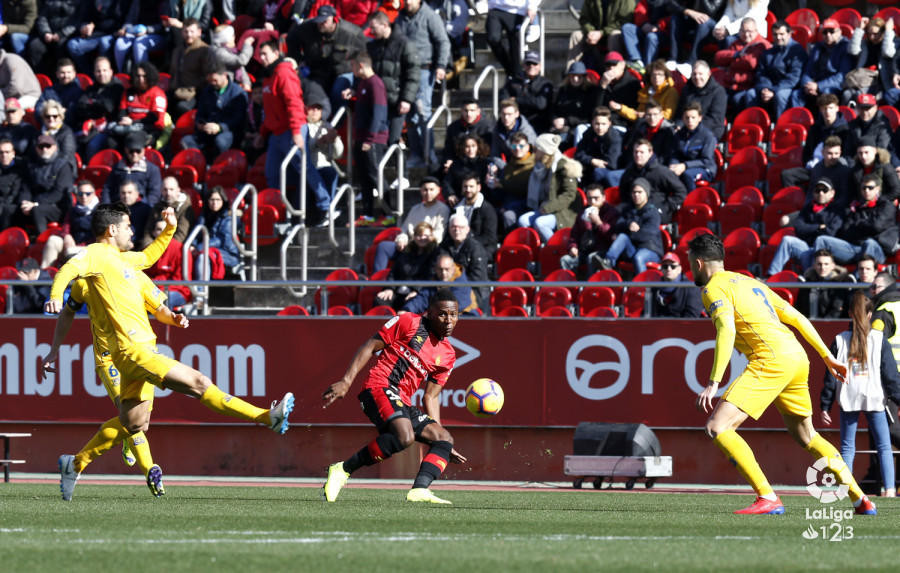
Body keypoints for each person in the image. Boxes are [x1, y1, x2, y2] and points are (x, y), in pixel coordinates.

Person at [44, 203, 294, 501]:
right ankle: (267, 417)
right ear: (112, 230)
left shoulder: (128, 266)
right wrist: (55, 296)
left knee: (135, 424)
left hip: (138, 353)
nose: (132, 231)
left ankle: (75, 463)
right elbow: (68, 268)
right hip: (131, 352)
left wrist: (171, 313)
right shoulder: (97, 254)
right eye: (127, 226)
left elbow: (151, 263)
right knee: (199, 383)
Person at [689, 232, 876, 515]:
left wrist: (714, 381)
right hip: (797, 357)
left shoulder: (713, 289)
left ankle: (767, 496)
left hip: (771, 359)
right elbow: (797, 318)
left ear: (699, 263)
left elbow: (726, 329)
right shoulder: (751, 283)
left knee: (718, 427)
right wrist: (826, 357)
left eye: (691, 263)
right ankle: (859, 498)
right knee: (808, 436)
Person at [42, 267, 181, 497]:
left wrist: (173, 317)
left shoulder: (131, 277)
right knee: (131, 417)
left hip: (139, 356)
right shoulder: (84, 284)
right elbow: (67, 313)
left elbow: (157, 307)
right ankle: (150, 469)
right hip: (109, 361)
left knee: (139, 418)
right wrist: (54, 349)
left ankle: (123, 442)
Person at [321, 289, 466, 504]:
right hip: (378, 386)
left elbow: (431, 397)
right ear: (429, 313)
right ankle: (343, 469)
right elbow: (370, 346)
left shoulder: (447, 355)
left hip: (402, 401)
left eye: (453, 315)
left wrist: (439, 438)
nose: (449, 320)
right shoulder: (408, 322)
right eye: (443, 314)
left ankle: (419, 490)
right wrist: (346, 381)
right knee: (404, 436)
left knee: (444, 438)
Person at [822, 291, 900, 498]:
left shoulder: (840, 339)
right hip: (874, 397)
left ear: (849, 313)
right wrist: (898, 398)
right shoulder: (878, 339)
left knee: (847, 447)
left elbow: (831, 375)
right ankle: (890, 490)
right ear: (869, 314)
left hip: (848, 397)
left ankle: (848, 491)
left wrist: (825, 404)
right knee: (884, 446)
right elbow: (890, 375)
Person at [392, 0, 450, 168]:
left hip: (425, 69)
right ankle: (416, 152)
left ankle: (429, 150)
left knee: (423, 110)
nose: (408, 2)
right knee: (410, 115)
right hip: (403, 71)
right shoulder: (399, 18)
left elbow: (442, 41)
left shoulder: (430, 16)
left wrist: (441, 65)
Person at [811, 174, 897, 267]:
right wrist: (866, 224)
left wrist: (858, 225)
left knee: (869, 243)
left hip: (877, 249)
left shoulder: (886, 206)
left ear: (877, 189)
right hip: (855, 248)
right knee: (821, 240)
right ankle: (811, 275)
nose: (866, 191)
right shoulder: (856, 206)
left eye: (870, 188)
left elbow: (877, 226)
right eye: (864, 188)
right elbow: (846, 230)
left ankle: (856, 278)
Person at [766, 177, 843, 276]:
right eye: (817, 190)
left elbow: (830, 233)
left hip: (827, 255)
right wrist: (819, 227)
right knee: (787, 240)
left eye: (824, 190)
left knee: (820, 239)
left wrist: (809, 229)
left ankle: (812, 278)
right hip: (807, 249)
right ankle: (772, 276)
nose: (821, 193)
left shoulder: (837, 210)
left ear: (832, 193)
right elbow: (798, 228)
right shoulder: (808, 208)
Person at [373, 176, 450, 273]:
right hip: (409, 245)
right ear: (421, 191)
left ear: (438, 191)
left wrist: (421, 240)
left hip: (427, 246)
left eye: (431, 190)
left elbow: (439, 234)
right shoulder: (415, 209)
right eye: (425, 190)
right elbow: (404, 230)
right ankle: (376, 280)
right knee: (383, 246)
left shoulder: (443, 209)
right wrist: (401, 240)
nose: (428, 193)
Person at [349, 51, 389, 226]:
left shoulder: (375, 84)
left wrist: (370, 139)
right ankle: (367, 214)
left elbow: (378, 113)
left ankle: (388, 213)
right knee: (364, 177)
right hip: (361, 137)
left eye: (352, 66)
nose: (351, 70)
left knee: (375, 175)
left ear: (360, 65)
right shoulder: (363, 84)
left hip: (373, 139)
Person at [180, 66, 248, 163]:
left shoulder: (237, 93)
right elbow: (200, 113)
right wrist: (200, 124)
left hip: (229, 132)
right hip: (207, 131)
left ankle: (218, 167)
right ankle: (200, 165)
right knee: (186, 140)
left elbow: (238, 119)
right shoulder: (207, 91)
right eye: (210, 80)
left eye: (215, 80)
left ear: (224, 75)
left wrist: (220, 127)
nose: (212, 83)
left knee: (221, 141)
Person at [597, 177, 663, 274]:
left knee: (638, 257)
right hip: (633, 248)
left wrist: (628, 232)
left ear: (646, 193)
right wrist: (628, 224)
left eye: (640, 192)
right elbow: (618, 224)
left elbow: (646, 235)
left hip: (651, 249)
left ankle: (643, 288)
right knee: (623, 237)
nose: (636, 195)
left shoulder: (653, 213)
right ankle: (607, 262)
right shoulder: (627, 210)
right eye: (634, 192)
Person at [618, 138, 687, 225]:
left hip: (656, 211)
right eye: (636, 152)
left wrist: (666, 207)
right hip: (634, 211)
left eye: (642, 152)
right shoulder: (629, 172)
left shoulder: (661, 171)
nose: (638, 155)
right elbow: (623, 192)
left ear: (650, 153)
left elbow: (681, 191)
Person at [376, 221, 440, 311]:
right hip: (399, 290)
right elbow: (394, 272)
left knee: (410, 305)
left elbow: (430, 276)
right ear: (414, 236)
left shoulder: (435, 253)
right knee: (380, 300)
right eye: (419, 235)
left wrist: (417, 290)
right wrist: (389, 288)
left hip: (417, 292)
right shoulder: (408, 250)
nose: (422, 238)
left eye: (425, 235)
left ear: (431, 236)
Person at [791, 18, 852, 109]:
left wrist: (818, 86)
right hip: (815, 84)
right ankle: (797, 121)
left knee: (826, 95)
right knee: (796, 94)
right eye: (825, 32)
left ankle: (823, 123)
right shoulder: (818, 47)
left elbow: (841, 77)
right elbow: (808, 70)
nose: (828, 35)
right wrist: (807, 85)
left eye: (831, 31)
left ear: (839, 32)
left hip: (833, 87)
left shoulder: (845, 47)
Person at [560, 183, 618, 278]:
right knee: (565, 259)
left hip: (603, 251)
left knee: (592, 258)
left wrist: (598, 222)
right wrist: (572, 247)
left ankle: (590, 288)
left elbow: (612, 236)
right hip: (585, 249)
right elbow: (574, 234)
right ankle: (571, 288)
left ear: (603, 198)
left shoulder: (611, 213)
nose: (593, 201)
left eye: (596, 198)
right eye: (589, 198)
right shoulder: (583, 212)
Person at [19, 134, 73, 233]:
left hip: (58, 207)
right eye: (41, 146)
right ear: (36, 148)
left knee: (38, 210)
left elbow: (59, 193)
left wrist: (35, 203)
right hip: (34, 203)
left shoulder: (63, 165)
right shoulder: (32, 165)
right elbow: (26, 187)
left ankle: (42, 242)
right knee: (11, 209)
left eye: (48, 146)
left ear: (55, 147)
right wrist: (24, 202)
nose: (44, 149)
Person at [40, 179, 100, 268]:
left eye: (88, 194)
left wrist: (79, 246)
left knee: (72, 251)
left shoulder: (100, 211)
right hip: (72, 245)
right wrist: (66, 236)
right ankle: (45, 273)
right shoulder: (73, 210)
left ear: (94, 193)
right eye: (80, 194)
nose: (84, 197)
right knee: (53, 240)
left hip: (90, 247)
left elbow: (99, 235)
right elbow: (66, 225)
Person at [754, 21, 807, 119]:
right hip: (770, 87)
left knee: (780, 95)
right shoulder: (768, 52)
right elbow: (761, 73)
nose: (778, 37)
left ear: (789, 34)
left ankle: (781, 126)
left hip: (789, 87)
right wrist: (764, 88)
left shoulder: (797, 51)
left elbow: (793, 78)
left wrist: (773, 91)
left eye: (781, 34)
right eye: (775, 34)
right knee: (750, 94)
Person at [440, 213, 489, 313]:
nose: (457, 230)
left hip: (474, 292)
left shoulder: (476, 248)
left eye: (460, 227)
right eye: (453, 227)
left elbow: (477, 278)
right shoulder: (443, 247)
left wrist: (455, 286)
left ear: (467, 229)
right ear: (449, 229)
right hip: (447, 290)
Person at [488, 131, 535, 230]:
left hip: (524, 206)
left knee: (508, 215)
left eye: (521, 146)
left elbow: (527, 192)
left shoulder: (533, 166)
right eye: (514, 147)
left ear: (527, 147)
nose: (517, 149)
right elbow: (501, 194)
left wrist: (502, 185)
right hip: (507, 204)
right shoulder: (509, 166)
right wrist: (493, 185)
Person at [102, 131, 162, 206]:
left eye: (138, 151)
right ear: (126, 150)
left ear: (143, 150)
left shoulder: (152, 169)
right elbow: (107, 188)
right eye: (131, 151)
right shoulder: (117, 167)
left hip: (142, 207)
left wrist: (147, 209)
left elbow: (154, 193)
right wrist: (107, 207)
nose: (134, 154)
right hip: (119, 207)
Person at [499, 51, 554, 133]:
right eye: (528, 63)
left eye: (534, 64)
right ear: (524, 65)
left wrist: (517, 100)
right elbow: (504, 98)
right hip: (516, 122)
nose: (531, 66)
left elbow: (541, 104)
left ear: (539, 66)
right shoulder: (514, 81)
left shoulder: (545, 83)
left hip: (538, 124)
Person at [193, 186, 240, 278]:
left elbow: (221, 239)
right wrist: (192, 246)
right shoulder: (204, 215)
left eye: (218, 200)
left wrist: (199, 247)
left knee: (203, 257)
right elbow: (195, 233)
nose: (215, 203)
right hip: (207, 248)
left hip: (228, 253)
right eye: (212, 199)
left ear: (223, 201)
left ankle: (201, 289)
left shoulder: (229, 217)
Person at [669, 102, 717, 191]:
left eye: (693, 118)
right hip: (682, 166)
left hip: (704, 169)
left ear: (699, 118)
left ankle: (690, 200)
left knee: (687, 175)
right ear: (683, 118)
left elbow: (706, 160)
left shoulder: (707, 136)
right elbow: (674, 154)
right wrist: (674, 165)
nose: (690, 121)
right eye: (687, 118)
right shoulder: (679, 135)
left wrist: (685, 165)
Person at [674, 60, 727, 141]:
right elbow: (680, 112)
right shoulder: (687, 89)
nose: (697, 77)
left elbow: (715, 119)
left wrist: (692, 127)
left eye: (700, 74)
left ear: (708, 74)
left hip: (710, 131)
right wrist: (679, 125)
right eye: (694, 74)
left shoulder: (719, 92)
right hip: (686, 128)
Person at [485, 0, 538, 79]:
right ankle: (509, 70)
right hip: (496, 8)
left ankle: (517, 76)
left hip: (518, 11)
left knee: (516, 47)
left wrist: (532, 6)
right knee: (493, 38)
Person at [139, 175, 194, 248]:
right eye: (165, 189)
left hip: (173, 248)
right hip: (154, 246)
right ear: (161, 191)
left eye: (171, 189)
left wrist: (163, 249)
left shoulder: (186, 208)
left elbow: (181, 235)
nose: (168, 193)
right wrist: (149, 245)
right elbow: (148, 231)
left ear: (178, 190)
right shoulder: (157, 207)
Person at [796, 249, 851, 319]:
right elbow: (800, 308)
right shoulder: (806, 284)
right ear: (814, 265)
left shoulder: (840, 284)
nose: (822, 267)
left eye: (826, 264)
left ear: (833, 266)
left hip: (831, 325)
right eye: (819, 264)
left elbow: (837, 310)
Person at [575, 106, 622, 188]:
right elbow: (578, 154)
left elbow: (611, 163)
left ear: (609, 124)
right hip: (591, 164)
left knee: (598, 172)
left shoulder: (614, 138)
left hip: (608, 170)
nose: (600, 127)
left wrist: (591, 160)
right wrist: (592, 160)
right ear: (592, 122)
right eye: (597, 124)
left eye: (603, 124)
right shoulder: (589, 133)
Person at [453, 172, 498, 257]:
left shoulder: (487, 209)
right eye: (465, 186)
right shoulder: (456, 208)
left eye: (471, 186)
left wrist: (467, 244)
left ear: (479, 187)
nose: (468, 189)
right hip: (458, 247)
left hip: (482, 249)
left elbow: (489, 238)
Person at [592, 51, 641, 128]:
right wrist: (602, 87)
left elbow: (634, 110)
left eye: (614, 64)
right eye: (608, 65)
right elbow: (596, 109)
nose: (611, 68)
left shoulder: (632, 83)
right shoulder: (603, 82)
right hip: (602, 124)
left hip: (623, 124)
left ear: (623, 65)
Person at [652, 252, 704, 317]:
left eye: (673, 266)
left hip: (682, 326)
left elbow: (692, 316)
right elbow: (651, 314)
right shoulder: (654, 288)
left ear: (679, 269)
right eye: (665, 266)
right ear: (661, 269)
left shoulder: (691, 288)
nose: (669, 269)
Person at [0, 137, 24, 229]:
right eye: (1, 152)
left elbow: (15, 193)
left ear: (13, 153)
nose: (4, 155)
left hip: (12, 205)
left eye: (7, 152)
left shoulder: (20, 169)